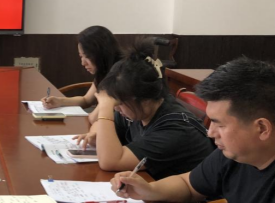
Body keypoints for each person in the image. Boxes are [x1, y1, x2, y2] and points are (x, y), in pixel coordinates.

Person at [105, 57, 275, 203]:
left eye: (220, 124)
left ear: (262, 128)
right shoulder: (236, 152)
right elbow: (189, 184)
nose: (210, 133)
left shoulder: (238, 150)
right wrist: (149, 190)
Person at [75, 40, 214, 179]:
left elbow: (110, 162)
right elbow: (97, 124)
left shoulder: (174, 129)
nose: (116, 108)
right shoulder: (140, 110)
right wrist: (96, 135)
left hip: (185, 193)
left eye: (119, 103)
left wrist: (105, 106)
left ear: (144, 99)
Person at [41, 26, 122, 123]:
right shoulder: (104, 71)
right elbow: (86, 100)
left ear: (101, 53)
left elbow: (93, 118)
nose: (83, 63)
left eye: (87, 56)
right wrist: (59, 101)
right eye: (81, 56)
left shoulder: (120, 73)